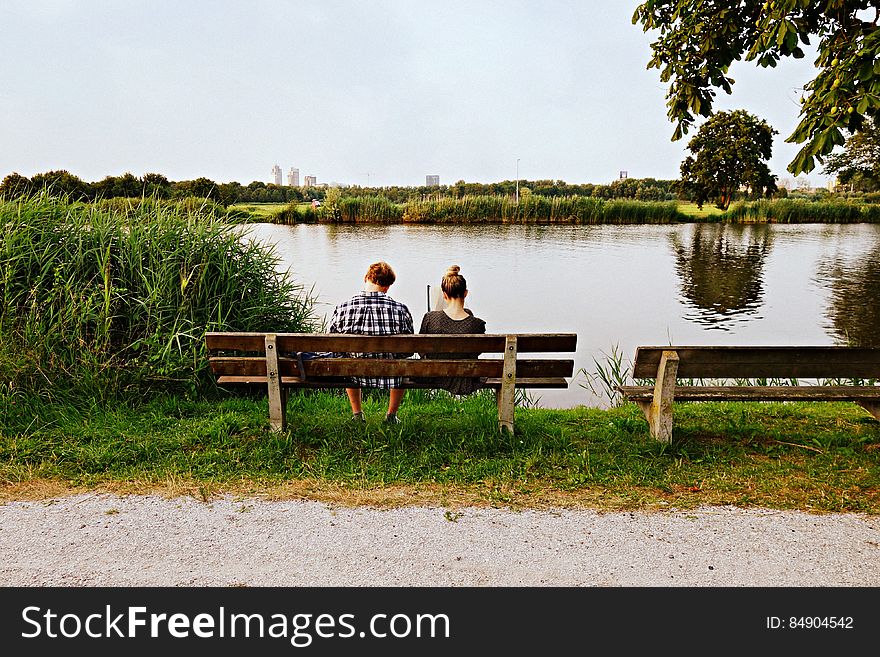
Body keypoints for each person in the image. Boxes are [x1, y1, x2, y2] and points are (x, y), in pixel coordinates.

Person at [328, 261, 414, 424]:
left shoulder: (343, 307)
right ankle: (391, 416)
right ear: (387, 287)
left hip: (353, 372)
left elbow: (333, 346)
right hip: (391, 373)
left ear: (366, 278)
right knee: (403, 363)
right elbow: (408, 350)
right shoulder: (400, 309)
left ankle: (357, 414)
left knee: (347, 359)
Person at [418, 265, 486, 396]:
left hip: (435, 374)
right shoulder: (477, 324)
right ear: (465, 293)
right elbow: (475, 353)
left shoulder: (430, 318)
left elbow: (421, 350)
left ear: (444, 295)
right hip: (465, 377)